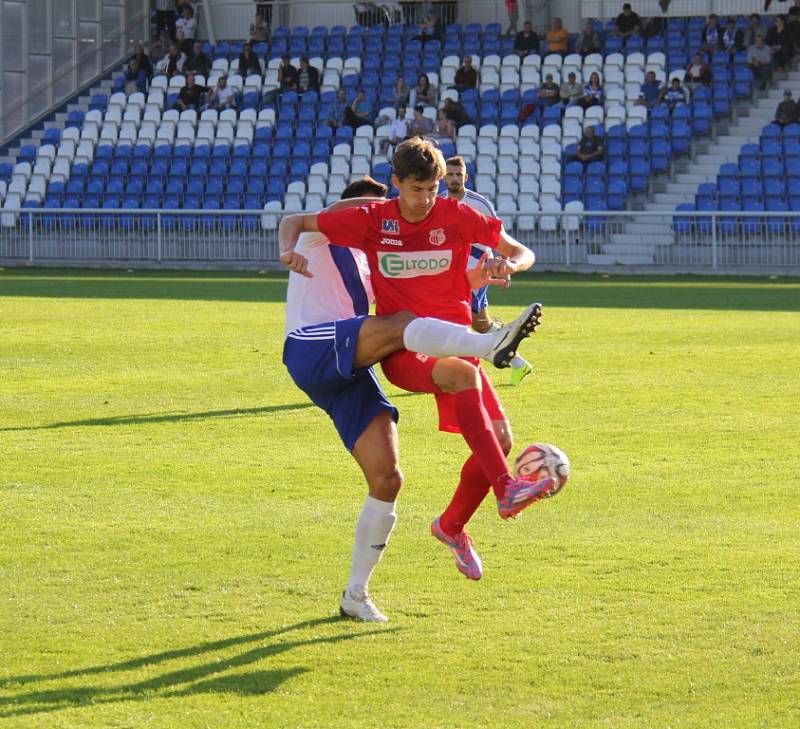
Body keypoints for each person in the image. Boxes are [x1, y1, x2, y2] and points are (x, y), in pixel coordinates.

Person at [280, 138, 562, 586]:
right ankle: (507, 490)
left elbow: (519, 251)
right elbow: (298, 221)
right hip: (410, 351)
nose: (427, 199)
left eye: (433, 189)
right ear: (396, 185)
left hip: (455, 338)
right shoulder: (373, 221)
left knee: (501, 439)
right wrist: (287, 250)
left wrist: (508, 268)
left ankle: (450, 526)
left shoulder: (455, 215)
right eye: (417, 189)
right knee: (464, 371)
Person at [443, 156, 534, 386]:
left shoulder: (478, 203)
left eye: (458, 174)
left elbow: (497, 236)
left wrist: (505, 265)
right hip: (451, 272)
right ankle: (517, 363)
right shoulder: (438, 201)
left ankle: (457, 371)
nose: (454, 178)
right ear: (444, 176)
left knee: (470, 321)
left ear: (466, 176)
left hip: (478, 269)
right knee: (473, 323)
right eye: (450, 174)